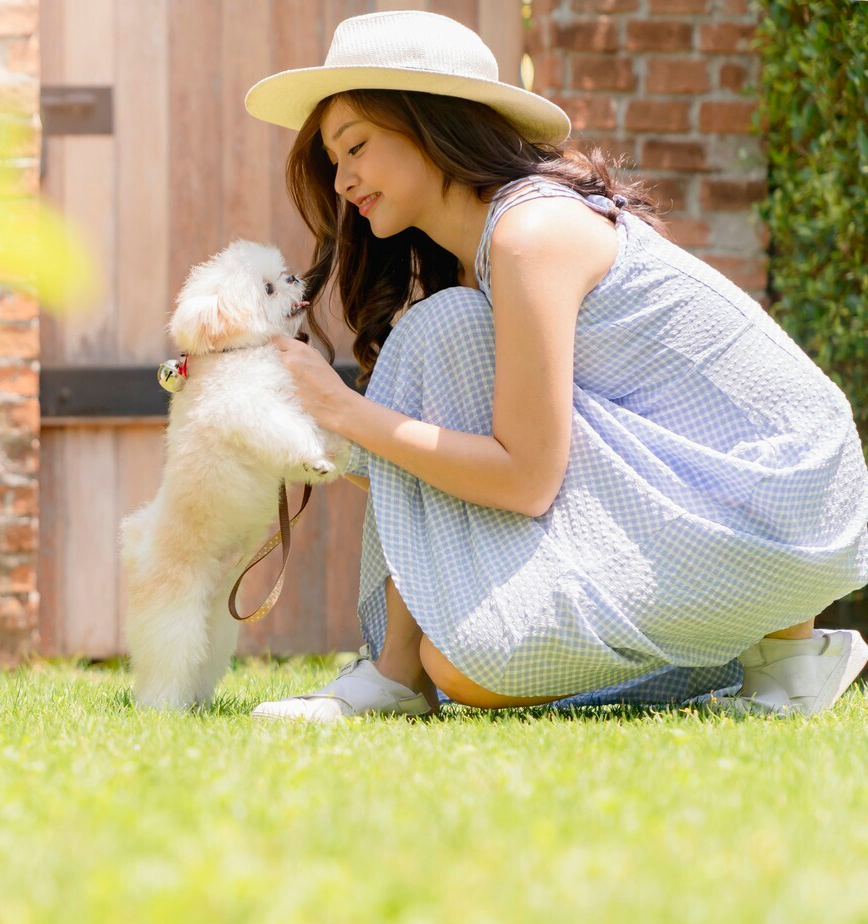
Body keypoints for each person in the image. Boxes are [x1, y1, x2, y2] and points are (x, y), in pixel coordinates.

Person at [237, 10, 868, 722]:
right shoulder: (482, 261)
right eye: (332, 160)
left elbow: (527, 480)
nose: (344, 178)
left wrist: (346, 410)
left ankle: (769, 645)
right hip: (717, 489)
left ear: (429, 122)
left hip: (780, 491)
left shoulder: (529, 234)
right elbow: (443, 467)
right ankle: (776, 659)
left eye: (355, 147)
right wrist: (299, 425)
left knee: (465, 660)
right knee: (458, 651)